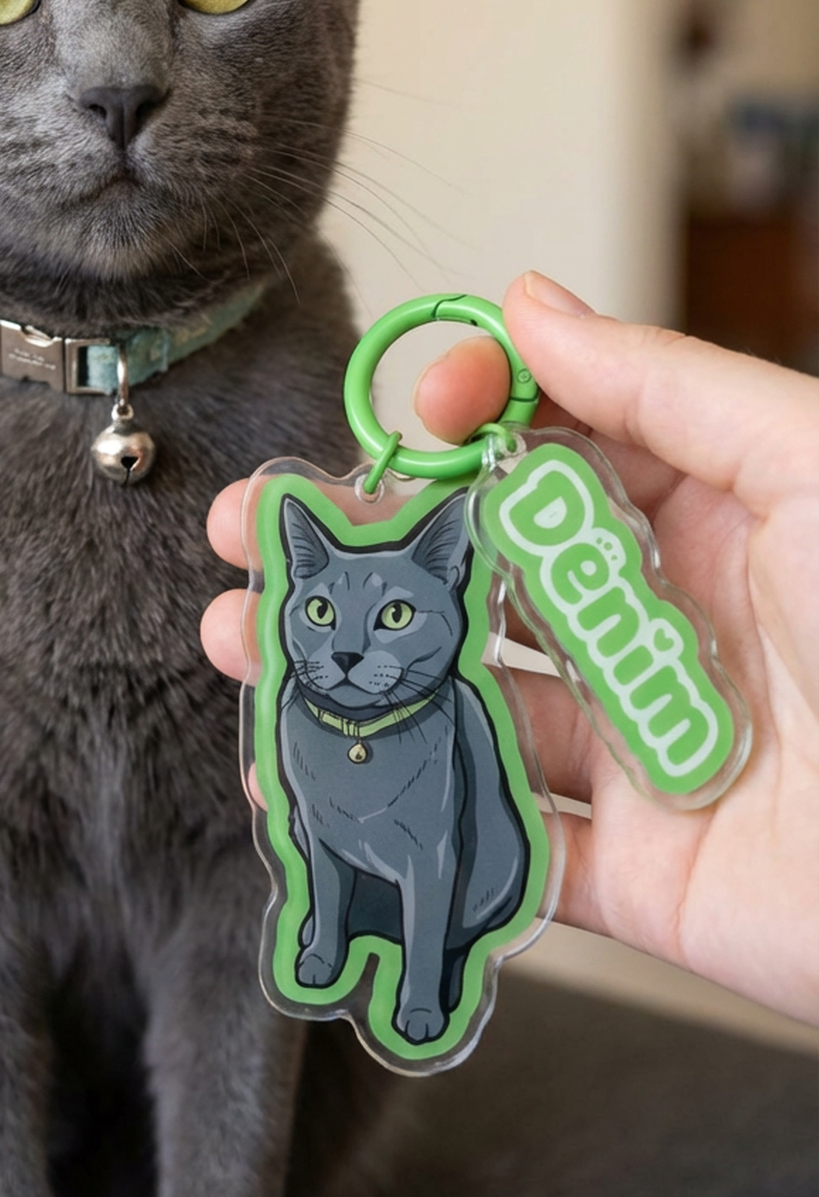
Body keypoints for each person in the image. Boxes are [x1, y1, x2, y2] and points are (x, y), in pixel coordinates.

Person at [202, 270, 819, 1027]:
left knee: (454, 873)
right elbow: (314, 840)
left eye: (392, 616)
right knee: (311, 837)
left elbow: (440, 855)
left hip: (466, 873)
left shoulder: (450, 688)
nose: (351, 648)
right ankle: (330, 938)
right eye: (322, 609)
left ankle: (433, 975)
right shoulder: (297, 705)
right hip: (338, 779)